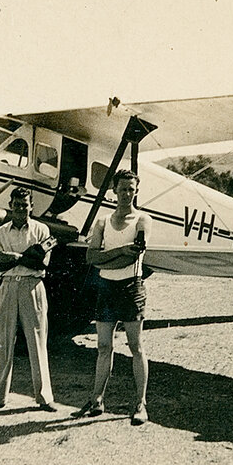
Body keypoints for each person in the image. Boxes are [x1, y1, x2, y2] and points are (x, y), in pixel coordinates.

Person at [74, 169, 153, 425]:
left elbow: (133, 256)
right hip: (106, 288)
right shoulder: (102, 222)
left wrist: (106, 257)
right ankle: (97, 399)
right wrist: (120, 251)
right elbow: (90, 257)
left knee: (135, 347)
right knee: (104, 346)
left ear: (136, 191)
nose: (126, 194)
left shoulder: (142, 220)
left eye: (131, 189)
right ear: (114, 191)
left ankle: (140, 404)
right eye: (122, 189)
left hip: (131, 287)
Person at [0, 187, 58, 413]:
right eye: (17, 205)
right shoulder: (0, 232)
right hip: (8, 285)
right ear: (10, 205)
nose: (21, 209)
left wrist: (13, 258)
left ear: (31, 206)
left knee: (37, 340)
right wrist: (26, 256)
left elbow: (42, 263)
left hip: (32, 286)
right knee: (4, 340)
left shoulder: (41, 230)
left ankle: (44, 397)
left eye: (25, 205)